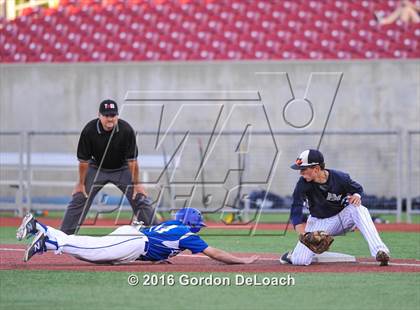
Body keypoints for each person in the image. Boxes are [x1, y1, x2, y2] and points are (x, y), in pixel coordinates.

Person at [16, 208, 259, 265]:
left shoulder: (174, 226)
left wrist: (158, 257)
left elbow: (162, 245)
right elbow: (213, 252)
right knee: (92, 249)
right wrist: (241, 260)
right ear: (190, 225)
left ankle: (45, 240)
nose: (198, 229)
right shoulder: (185, 233)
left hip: (133, 237)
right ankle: (42, 229)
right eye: (197, 225)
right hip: (135, 241)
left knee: (91, 255)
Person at [60, 99, 158, 234]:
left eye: (113, 115)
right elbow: (84, 162)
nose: (110, 119)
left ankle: (158, 233)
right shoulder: (89, 130)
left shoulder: (126, 130)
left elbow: (132, 161)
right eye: (106, 115)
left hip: (122, 168)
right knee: (80, 196)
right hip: (97, 168)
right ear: (99, 115)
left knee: (139, 196)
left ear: (117, 116)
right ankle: (63, 235)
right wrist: (81, 183)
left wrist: (137, 184)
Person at [280, 149, 390, 266]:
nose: (300, 173)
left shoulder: (340, 178)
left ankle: (380, 250)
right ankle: (292, 255)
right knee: (300, 261)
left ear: (316, 169)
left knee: (357, 208)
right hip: (318, 223)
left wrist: (357, 196)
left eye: (303, 169)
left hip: (341, 220)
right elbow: (295, 209)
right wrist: (304, 235)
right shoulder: (302, 184)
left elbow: (357, 189)